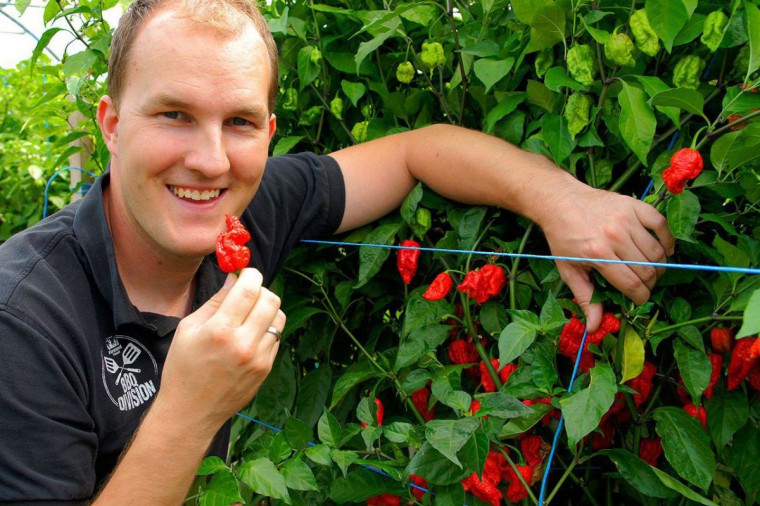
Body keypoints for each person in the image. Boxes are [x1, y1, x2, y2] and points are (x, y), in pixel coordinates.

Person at [0, 0, 675, 503]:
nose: (209, 160)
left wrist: (556, 198)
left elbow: (417, 149)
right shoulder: (22, 322)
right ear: (113, 125)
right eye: (173, 114)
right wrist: (189, 408)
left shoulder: (250, 207)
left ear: (268, 133)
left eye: (237, 122)